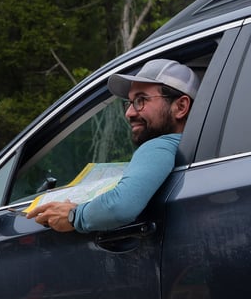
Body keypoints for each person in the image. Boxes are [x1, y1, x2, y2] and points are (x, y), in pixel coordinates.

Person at [28, 58, 198, 233]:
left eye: (141, 100)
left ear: (181, 106)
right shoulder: (197, 148)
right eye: (130, 103)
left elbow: (120, 207)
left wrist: (74, 215)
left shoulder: (159, 146)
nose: (129, 113)